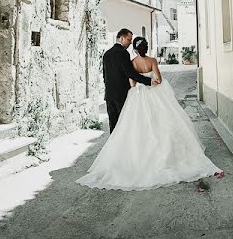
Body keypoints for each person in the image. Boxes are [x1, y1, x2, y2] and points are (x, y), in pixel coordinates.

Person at [77, 36, 221, 190]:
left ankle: (133, 158)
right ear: (146, 47)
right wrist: (152, 81)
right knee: (163, 121)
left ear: (135, 49)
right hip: (154, 94)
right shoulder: (152, 60)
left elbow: (132, 82)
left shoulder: (132, 62)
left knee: (134, 126)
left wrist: (138, 83)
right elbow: (158, 78)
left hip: (137, 95)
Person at [101, 28, 157, 133]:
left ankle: (114, 148)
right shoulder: (123, 53)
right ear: (121, 38)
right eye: (129, 39)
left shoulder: (106, 54)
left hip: (109, 95)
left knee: (113, 125)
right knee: (124, 124)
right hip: (121, 95)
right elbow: (130, 73)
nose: (131, 43)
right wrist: (149, 81)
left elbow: (105, 75)